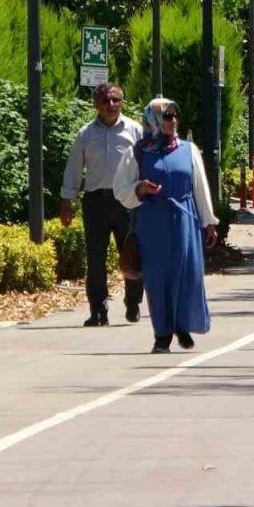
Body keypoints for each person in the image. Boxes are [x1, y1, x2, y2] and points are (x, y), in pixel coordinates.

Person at [113, 98, 219, 353]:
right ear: (153, 120)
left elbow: (200, 188)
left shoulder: (188, 150)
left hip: (185, 218)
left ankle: (183, 325)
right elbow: (120, 189)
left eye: (174, 115)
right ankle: (162, 335)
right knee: (157, 278)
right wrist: (140, 189)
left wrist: (209, 222)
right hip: (152, 221)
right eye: (167, 116)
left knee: (187, 274)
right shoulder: (137, 152)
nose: (172, 121)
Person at [59, 83, 145, 327]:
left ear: (122, 102)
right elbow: (74, 168)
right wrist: (67, 200)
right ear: (96, 104)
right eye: (106, 101)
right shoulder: (86, 134)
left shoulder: (135, 131)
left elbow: (145, 166)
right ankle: (98, 310)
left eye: (116, 100)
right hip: (95, 203)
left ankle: (133, 301)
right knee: (95, 259)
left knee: (131, 254)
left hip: (126, 203)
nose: (111, 105)